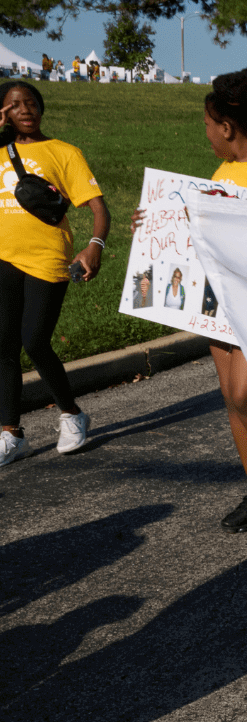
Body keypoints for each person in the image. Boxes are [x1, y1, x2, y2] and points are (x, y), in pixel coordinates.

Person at [134, 67, 247, 541]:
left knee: (245, 394)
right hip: (217, 299)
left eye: (208, 125)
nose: (207, 133)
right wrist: (156, 224)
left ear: (227, 126)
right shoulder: (224, 172)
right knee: (230, 400)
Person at [0, 80, 109, 465]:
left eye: (31, 103)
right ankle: (11, 433)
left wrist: (94, 247)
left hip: (47, 257)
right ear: (3, 113)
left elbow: (98, 209)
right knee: (4, 346)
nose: (25, 110)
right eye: (14, 105)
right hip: (3, 258)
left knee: (34, 341)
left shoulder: (63, 152)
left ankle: (71, 413)